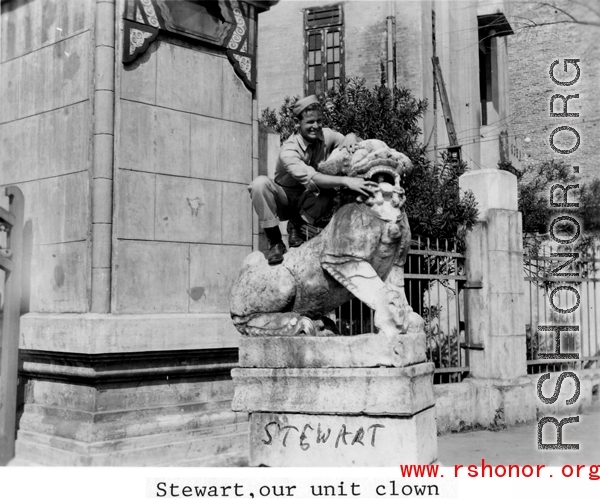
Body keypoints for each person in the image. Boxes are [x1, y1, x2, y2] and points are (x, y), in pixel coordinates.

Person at [248, 95, 377, 265]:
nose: (315, 126)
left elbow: (352, 142)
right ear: (297, 123)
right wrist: (347, 181)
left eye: (319, 121)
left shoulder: (326, 135)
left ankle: (297, 226)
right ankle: (275, 242)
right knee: (259, 184)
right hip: (284, 199)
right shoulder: (289, 150)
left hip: (308, 198)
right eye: (310, 122)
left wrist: (351, 136)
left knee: (330, 192)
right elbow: (313, 178)